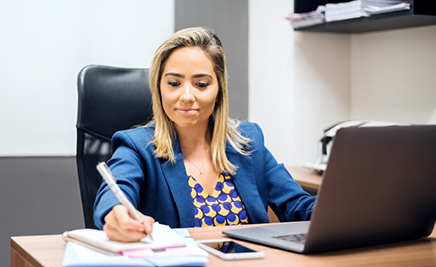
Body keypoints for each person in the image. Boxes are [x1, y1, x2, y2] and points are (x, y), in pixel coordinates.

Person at [93, 27, 315, 242]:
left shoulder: (248, 141)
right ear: (158, 88)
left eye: (201, 84)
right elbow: (115, 191)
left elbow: (296, 205)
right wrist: (115, 212)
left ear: (218, 90)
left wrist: (343, 207)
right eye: (173, 83)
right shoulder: (136, 146)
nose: (187, 95)